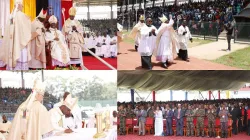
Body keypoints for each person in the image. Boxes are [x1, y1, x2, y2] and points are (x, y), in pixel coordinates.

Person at [0, 0, 31, 70]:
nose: (22, 7)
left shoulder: (11, 16)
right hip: (20, 42)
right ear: (19, 5)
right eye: (22, 6)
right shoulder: (22, 15)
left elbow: (8, 29)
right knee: (21, 54)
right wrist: (28, 19)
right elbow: (26, 29)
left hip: (12, 41)